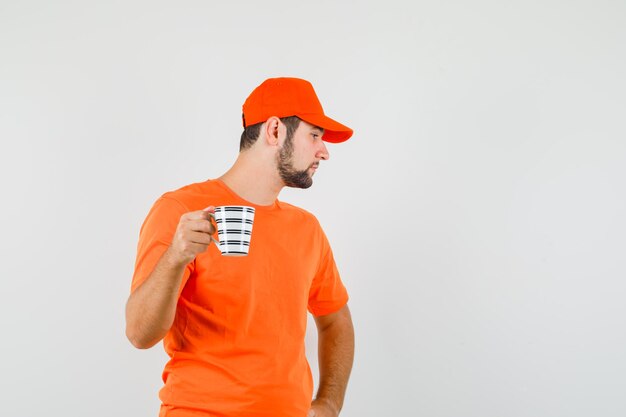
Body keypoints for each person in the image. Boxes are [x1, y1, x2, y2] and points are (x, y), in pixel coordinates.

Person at [125, 77, 355, 417]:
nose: (324, 151)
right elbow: (139, 333)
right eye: (315, 135)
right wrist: (176, 257)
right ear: (275, 131)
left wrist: (329, 404)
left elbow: (336, 321)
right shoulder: (180, 211)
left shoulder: (307, 229)